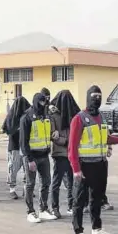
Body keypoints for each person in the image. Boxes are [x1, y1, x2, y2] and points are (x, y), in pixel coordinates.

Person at [68, 85, 118, 234]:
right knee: (79, 201)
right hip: (84, 166)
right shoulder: (79, 118)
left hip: (100, 164)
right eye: (94, 96)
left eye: (99, 96)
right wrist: (76, 169)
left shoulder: (102, 118)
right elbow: (72, 147)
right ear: (88, 97)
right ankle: (78, 233)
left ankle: (97, 229)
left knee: (97, 199)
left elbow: (105, 138)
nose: (97, 99)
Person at [20, 93, 57, 223]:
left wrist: (53, 135)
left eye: (45, 102)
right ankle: (30, 211)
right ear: (36, 102)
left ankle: (43, 209)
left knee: (46, 182)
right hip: (32, 157)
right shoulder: (27, 117)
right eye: (41, 102)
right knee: (30, 184)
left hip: (44, 155)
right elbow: (23, 142)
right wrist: (29, 160)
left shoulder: (45, 116)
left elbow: (45, 134)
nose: (43, 105)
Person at [49, 90, 80, 218]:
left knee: (72, 182)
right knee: (56, 182)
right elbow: (52, 135)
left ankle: (71, 205)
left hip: (71, 153)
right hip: (60, 153)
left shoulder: (74, 115)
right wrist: (67, 141)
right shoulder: (53, 116)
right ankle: (54, 207)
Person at [6, 96, 31, 199]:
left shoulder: (28, 117)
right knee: (13, 168)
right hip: (15, 146)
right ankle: (12, 188)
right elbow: (7, 129)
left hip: (25, 146)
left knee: (27, 168)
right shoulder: (11, 117)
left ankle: (26, 188)